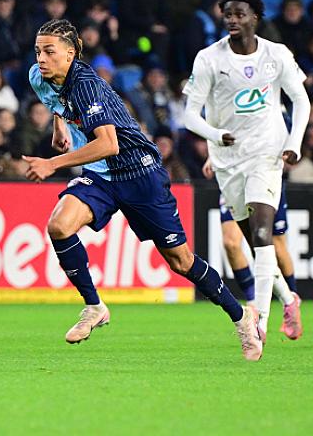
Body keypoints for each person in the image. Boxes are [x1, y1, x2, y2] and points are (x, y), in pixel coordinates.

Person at [23, 19, 262, 359]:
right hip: (101, 175)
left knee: (181, 262)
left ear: (71, 54)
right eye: (37, 51)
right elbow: (55, 101)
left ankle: (241, 317)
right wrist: (60, 125)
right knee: (59, 226)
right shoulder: (39, 76)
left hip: (139, 173)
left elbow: (109, 144)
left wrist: (51, 163)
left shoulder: (87, 85)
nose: (41, 59)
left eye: (49, 52)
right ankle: (94, 307)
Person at [183, 0, 310, 355]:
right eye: (228, 15)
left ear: (255, 16)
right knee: (250, 237)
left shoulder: (277, 54)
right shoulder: (209, 59)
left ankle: (261, 322)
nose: (232, 20)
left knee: (262, 231)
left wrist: (295, 143)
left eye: (239, 14)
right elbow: (190, 114)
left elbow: (300, 100)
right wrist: (214, 135)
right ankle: (289, 299)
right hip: (227, 160)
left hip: (267, 153)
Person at [203, 159, 302, 338]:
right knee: (231, 243)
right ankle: (254, 304)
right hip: (233, 175)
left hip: (264, 174)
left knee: (274, 246)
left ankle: (291, 298)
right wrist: (213, 155)